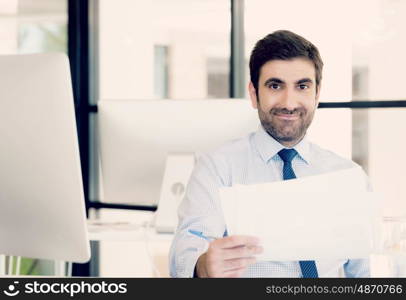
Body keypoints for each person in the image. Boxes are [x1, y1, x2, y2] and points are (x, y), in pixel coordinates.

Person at [169, 30, 370, 278]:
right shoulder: (217, 167)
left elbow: (364, 275)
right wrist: (203, 266)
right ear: (254, 94)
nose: (289, 102)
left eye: (302, 86)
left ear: (317, 94)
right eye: (275, 86)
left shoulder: (347, 176)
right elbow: (185, 250)